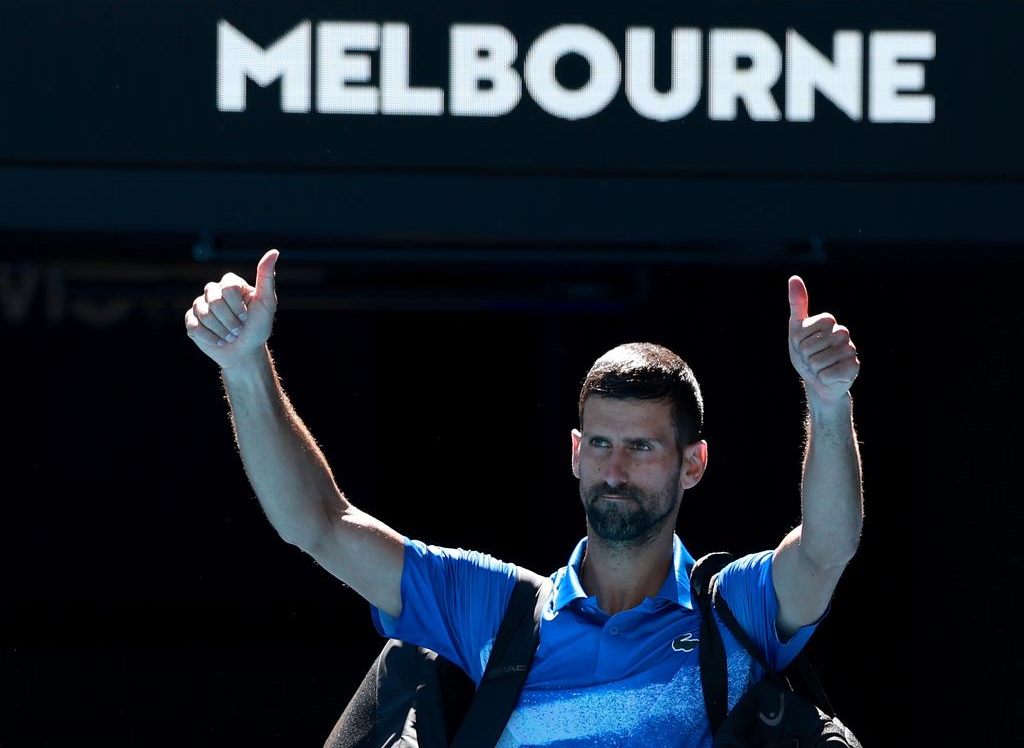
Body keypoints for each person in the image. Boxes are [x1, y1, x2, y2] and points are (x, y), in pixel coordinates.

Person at [184, 249, 863, 747]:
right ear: (574, 452)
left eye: (642, 447)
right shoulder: (492, 611)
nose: (615, 469)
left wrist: (829, 406)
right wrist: (245, 366)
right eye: (599, 444)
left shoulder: (733, 615)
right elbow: (319, 524)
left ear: (694, 464)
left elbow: (826, 549)